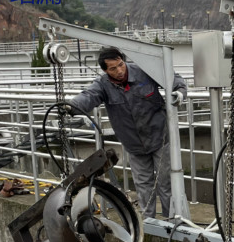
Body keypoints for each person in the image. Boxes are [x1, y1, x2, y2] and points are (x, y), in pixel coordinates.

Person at [67, 47, 187, 219]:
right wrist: (71, 106)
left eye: (121, 65)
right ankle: (150, 223)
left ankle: (171, 221)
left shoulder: (144, 71)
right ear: (105, 70)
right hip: (134, 145)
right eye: (113, 69)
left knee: (166, 183)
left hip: (160, 137)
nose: (120, 71)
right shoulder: (103, 85)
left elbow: (173, 78)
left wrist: (180, 93)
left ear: (123, 61)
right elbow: (89, 96)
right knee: (144, 185)